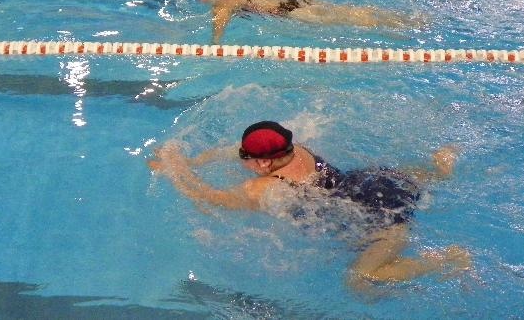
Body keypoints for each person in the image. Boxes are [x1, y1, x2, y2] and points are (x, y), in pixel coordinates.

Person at [149, 121, 471, 289]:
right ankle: (441, 168)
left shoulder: (263, 188)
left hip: (380, 221)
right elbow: (235, 150)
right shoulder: (297, 150)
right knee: (417, 178)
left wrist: (174, 168)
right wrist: (195, 161)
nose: (242, 161)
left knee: (361, 280)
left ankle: (448, 259)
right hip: (376, 181)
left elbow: (207, 197)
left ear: (263, 164)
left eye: (247, 159)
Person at [195, 0, 420, 44]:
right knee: (347, 12)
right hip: (295, 0)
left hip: (291, 12)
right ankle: (403, 19)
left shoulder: (223, 6)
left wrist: (215, 45)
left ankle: (399, 26)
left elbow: (218, 33)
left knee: (349, 20)